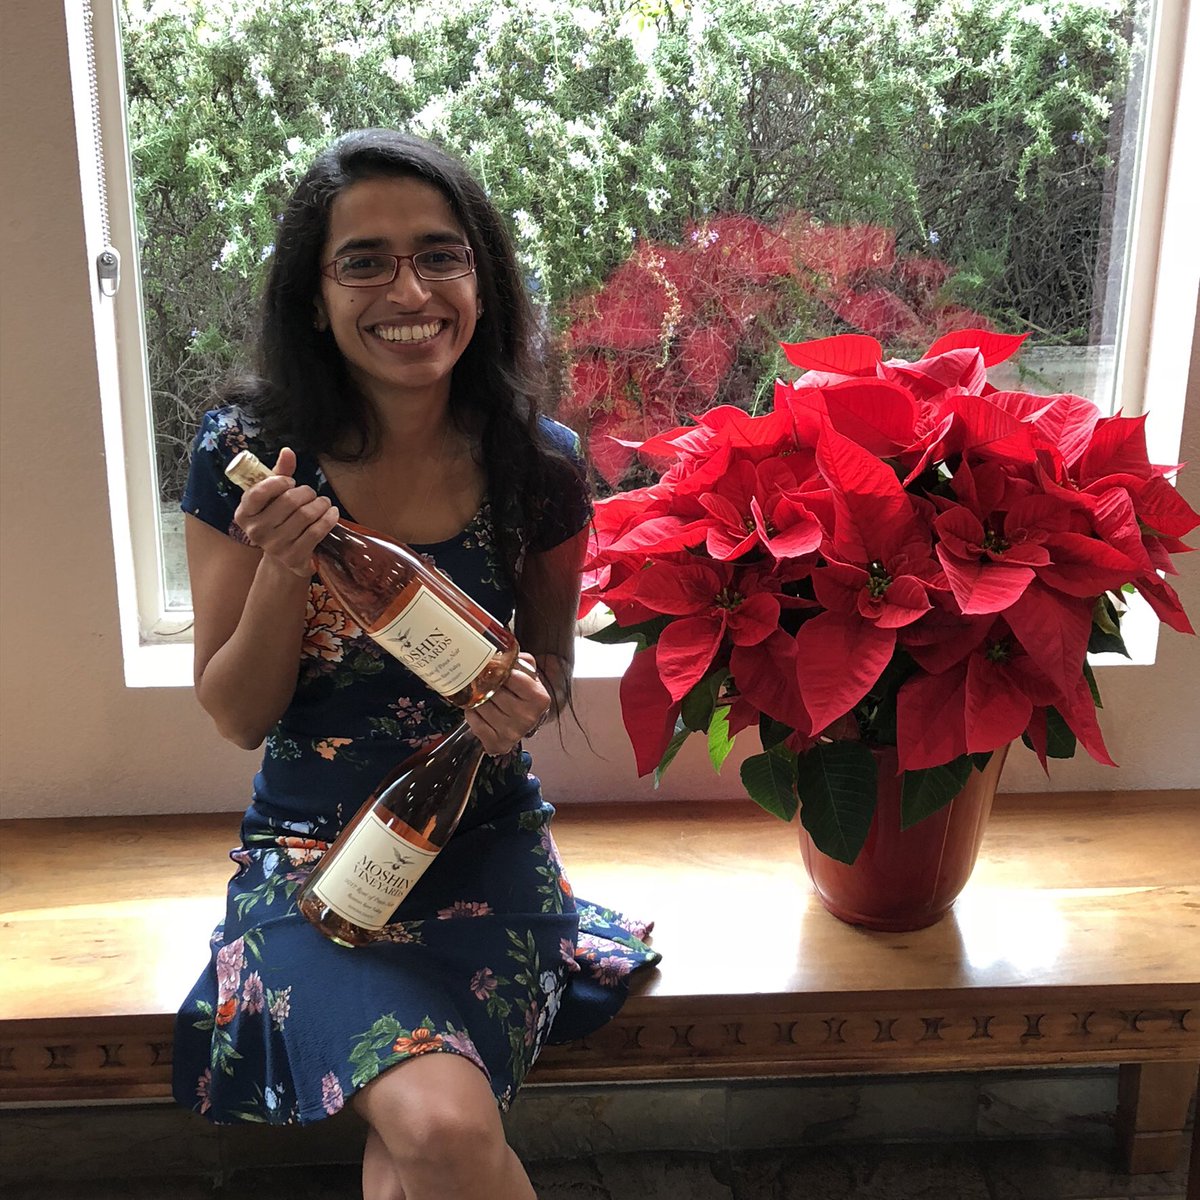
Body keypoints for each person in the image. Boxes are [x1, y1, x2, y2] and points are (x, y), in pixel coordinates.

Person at [172, 128, 660, 1200]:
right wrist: (287, 568)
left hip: (485, 845)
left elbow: (546, 667)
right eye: (365, 262)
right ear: (315, 297)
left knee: (425, 1149)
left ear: (480, 281)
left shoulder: (538, 464)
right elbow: (237, 714)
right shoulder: (244, 459)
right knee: (437, 1131)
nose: (410, 290)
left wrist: (522, 702)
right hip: (311, 862)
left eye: (440, 255)